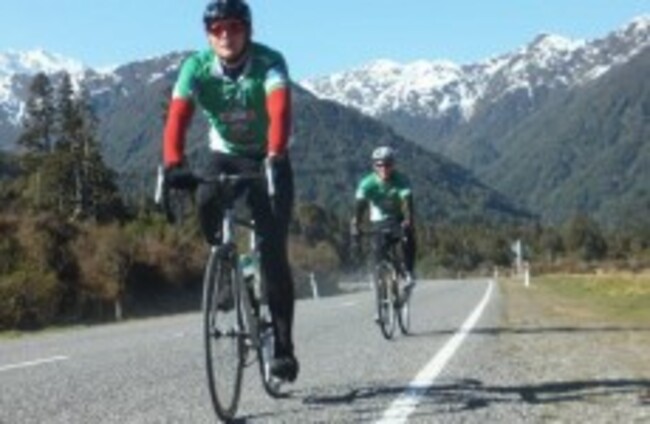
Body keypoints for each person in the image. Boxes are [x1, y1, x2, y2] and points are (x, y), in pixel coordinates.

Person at [162, 0, 298, 382]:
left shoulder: (269, 62)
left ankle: (283, 346)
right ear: (208, 35)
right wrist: (173, 163)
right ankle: (224, 265)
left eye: (234, 27)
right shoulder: (196, 67)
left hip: (268, 155)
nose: (226, 35)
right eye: (217, 29)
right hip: (224, 154)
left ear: (247, 31)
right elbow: (178, 115)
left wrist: (275, 155)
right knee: (206, 198)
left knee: (273, 252)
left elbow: (280, 111)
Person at [351, 146, 417, 291]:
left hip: (397, 218)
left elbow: (407, 202)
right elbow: (359, 207)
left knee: (408, 237)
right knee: (378, 251)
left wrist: (408, 220)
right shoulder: (367, 183)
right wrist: (356, 224)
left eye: (388, 164)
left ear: (393, 165)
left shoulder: (401, 180)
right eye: (379, 165)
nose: (384, 169)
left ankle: (408, 272)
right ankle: (378, 279)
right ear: (374, 166)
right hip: (378, 221)